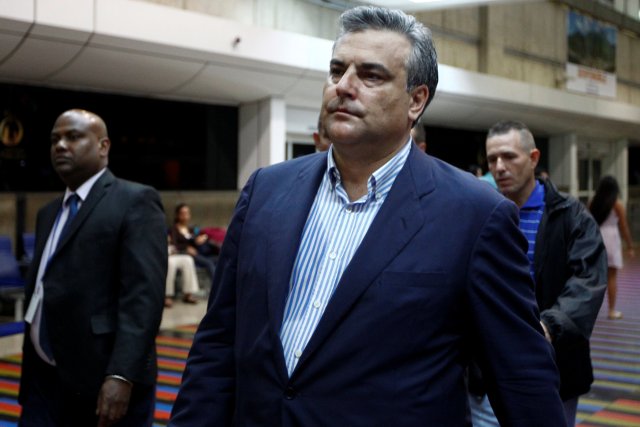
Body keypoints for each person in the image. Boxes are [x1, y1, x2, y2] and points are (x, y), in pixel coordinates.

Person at [169, 7, 565, 426]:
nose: (343, 86)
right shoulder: (266, 190)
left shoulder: (475, 215)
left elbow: (522, 378)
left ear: (416, 100)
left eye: (370, 75)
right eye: (337, 70)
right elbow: (217, 343)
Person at [19, 109, 167, 426]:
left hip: (102, 382)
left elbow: (143, 298)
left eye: (73, 136)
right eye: (55, 139)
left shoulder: (135, 200)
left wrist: (121, 374)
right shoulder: (49, 213)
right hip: (44, 381)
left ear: (103, 146)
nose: (60, 145)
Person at [468, 120, 607, 426]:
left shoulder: (570, 216)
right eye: (492, 160)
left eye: (509, 157)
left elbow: (588, 282)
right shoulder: (480, 212)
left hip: (555, 367)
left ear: (533, 158)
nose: (499, 167)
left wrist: (545, 328)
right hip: (487, 370)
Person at [589, 175, 635, 319]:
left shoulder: (592, 202)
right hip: (612, 240)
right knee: (612, 277)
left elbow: (588, 222)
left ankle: (590, 310)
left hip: (595, 239)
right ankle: (611, 310)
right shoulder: (617, 204)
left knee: (593, 278)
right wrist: (630, 245)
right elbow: (624, 226)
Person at [170, 202, 217, 294]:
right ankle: (217, 289)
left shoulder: (191, 229)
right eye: (183, 213)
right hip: (186, 254)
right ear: (178, 215)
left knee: (218, 259)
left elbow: (194, 240)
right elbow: (174, 244)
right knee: (209, 263)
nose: (185, 216)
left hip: (198, 252)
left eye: (187, 213)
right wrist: (186, 247)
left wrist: (199, 239)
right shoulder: (174, 229)